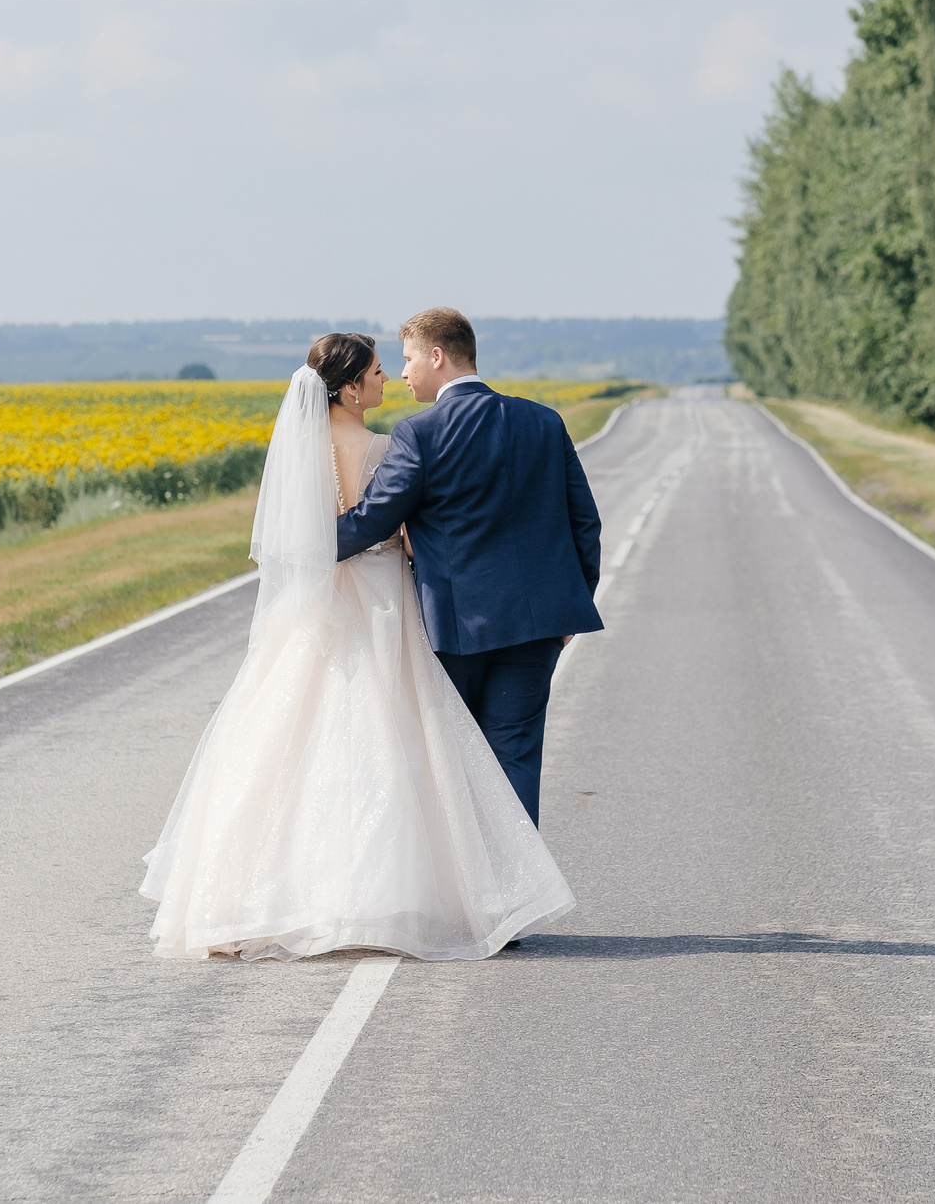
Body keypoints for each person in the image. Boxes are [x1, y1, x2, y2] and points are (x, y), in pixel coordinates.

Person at [140, 332, 574, 961]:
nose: (387, 380)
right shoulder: (382, 445)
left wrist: (323, 549)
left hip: (316, 605)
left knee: (291, 738)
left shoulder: (299, 448)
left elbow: (311, 531)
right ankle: (406, 895)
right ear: (348, 388)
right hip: (376, 597)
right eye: (375, 371)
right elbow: (387, 517)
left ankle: (257, 895)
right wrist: (404, 540)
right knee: (389, 740)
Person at [335, 307, 604, 827]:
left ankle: (471, 894)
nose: (405, 372)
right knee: (514, 756)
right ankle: (519, 895)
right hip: (538, 627)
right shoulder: (544, 422)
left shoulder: (420, 433)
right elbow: (584, 524)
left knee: (453, 761)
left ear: (437, 356)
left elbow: (372, 521)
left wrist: (303, 544)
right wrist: (571, 608)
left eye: (410, 358)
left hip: (456, 629)